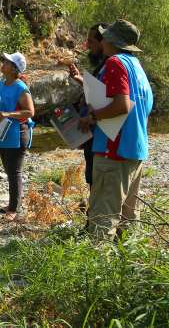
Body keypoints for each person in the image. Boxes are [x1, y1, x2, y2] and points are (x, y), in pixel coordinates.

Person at [78, 20, 153, 239]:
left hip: (113, 152)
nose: (102, 43)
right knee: (128, 220)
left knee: (102, 222)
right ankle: (126, 268)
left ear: (111, 41)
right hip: (136, 150)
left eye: (105, 38)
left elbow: (123, 105)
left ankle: (97, 271)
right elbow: (144, 107)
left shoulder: (115, 63)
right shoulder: (136, 66)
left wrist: (91, 118)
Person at [0, 52, 35, 220]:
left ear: (14, 69)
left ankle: (14, 210)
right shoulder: (3, 83)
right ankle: (11, 205)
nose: (3, 63)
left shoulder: (21, 87)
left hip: (18, 133)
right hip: (3, 132)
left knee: (14, 172)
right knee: (9, 170)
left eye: (7, 62)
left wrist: (7, 113)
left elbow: (30, 111)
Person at [67, 23, 108, 189]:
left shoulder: (113, 65)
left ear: (103, 42)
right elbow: (100, 93)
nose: (87, 45)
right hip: (94, 137)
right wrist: (80, 79)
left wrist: (90, 119)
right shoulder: (104, 64)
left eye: (91, 41)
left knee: (98, 185)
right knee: (92, 180)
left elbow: (117, 103)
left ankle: (96, 214)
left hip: (101, 136)